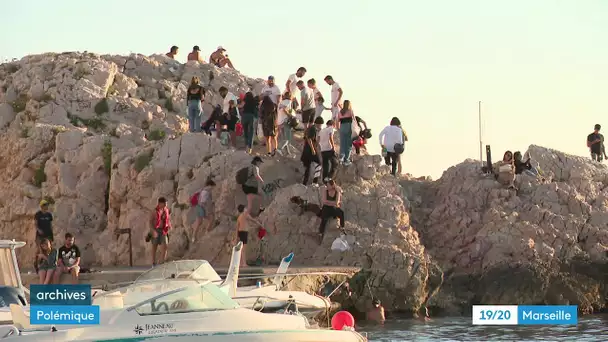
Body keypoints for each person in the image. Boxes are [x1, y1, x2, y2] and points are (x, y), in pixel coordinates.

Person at [301, 116, 323, 186]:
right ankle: (314, 182)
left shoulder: (310, 128)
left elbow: (305, 138)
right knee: (319, 164)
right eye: (321, 124)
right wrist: (313, 149)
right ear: (319, 123)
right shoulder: (313, 129)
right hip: (310, 151)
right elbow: (309, 139)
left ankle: (304, 183)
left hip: (306, 150)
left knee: (308, 168)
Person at [149, 197, 171, 265]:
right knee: (154, 246)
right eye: (164, 204)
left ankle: (162, 262)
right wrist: (153, 231)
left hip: (164, 230)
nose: (165, 206)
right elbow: (150, 222)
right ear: (160, 203)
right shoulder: (154, 211)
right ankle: (153, 262)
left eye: (166, 204)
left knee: (165, 245)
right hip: (155, 229)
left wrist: (169, 225)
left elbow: (168, 219)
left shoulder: (166, 210)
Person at [337, 100, 354, 166]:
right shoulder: (350, 111)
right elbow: (354, 120)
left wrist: (338, 129)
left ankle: (341, 158)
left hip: (342, 128)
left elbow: (337, 121)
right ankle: (346, 160)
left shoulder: (340, 112)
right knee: (348, 145)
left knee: (342, 144)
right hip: (348, 128)